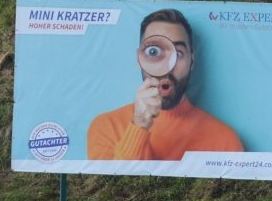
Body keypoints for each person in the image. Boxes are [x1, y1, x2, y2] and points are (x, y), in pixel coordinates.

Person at [85, 10, 244, 161]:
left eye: (178, 53)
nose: (167, 66)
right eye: (153, 52)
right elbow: (109, 182)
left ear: (192, 61)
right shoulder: (106, 126)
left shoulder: (226, 141)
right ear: (139, 59)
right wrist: (138, 127)